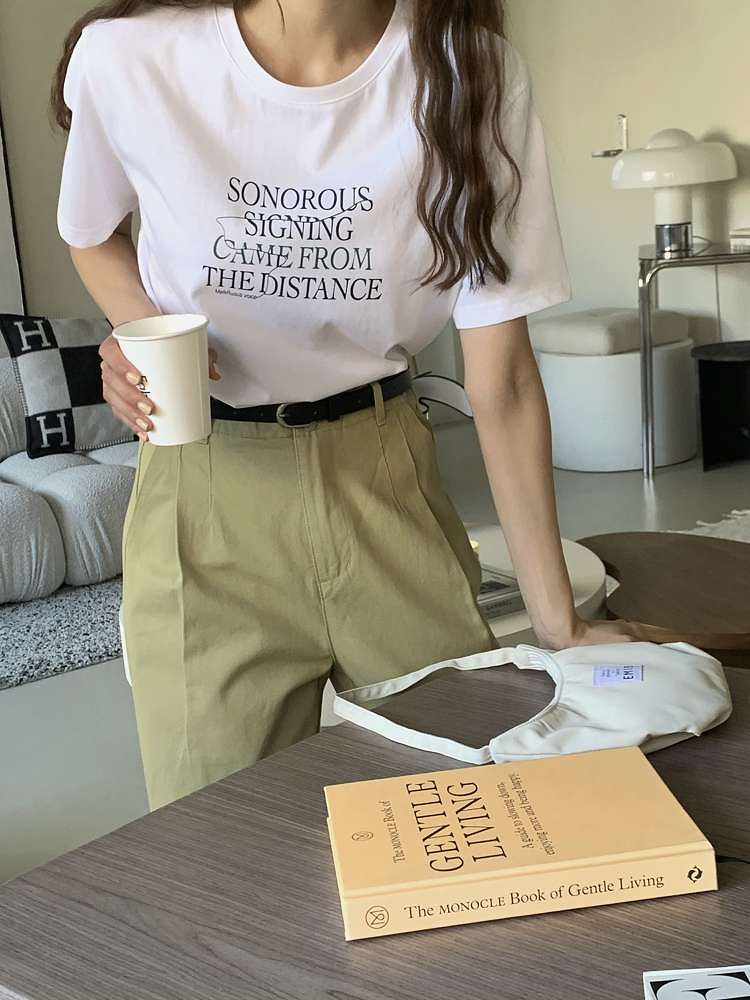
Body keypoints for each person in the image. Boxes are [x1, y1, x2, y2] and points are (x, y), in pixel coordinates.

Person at [52, 0, 664, 812]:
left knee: (463, 812)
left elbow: (505, 379)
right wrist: (142, 326)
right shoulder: (130, 55)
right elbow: (90, 231)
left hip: (386, 478)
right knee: (215, 834)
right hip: (202, 495)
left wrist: (560, 623)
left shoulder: (471, 73)